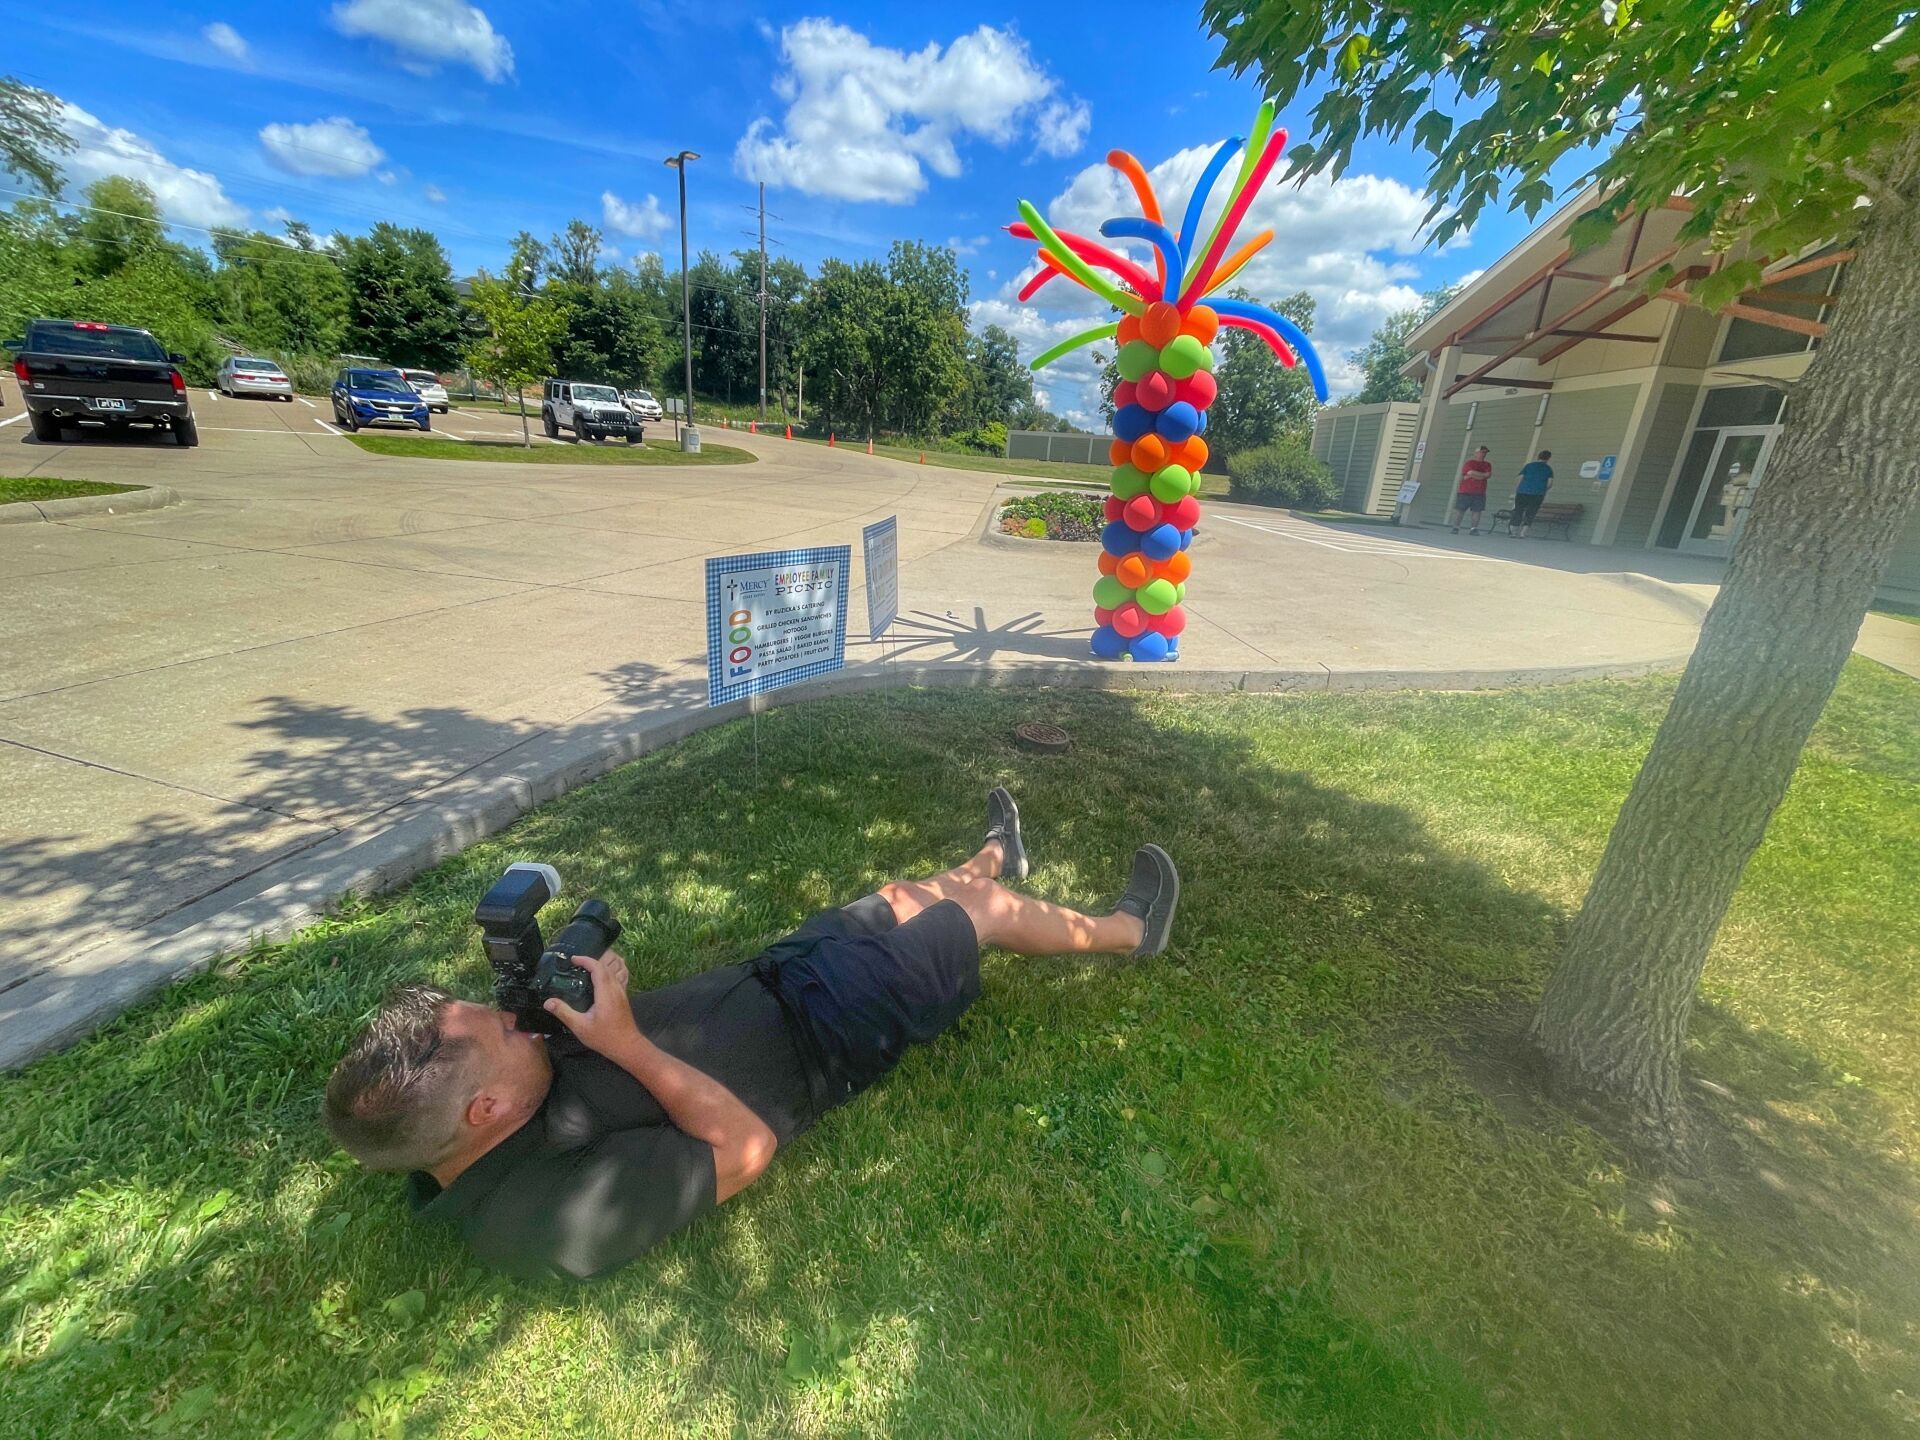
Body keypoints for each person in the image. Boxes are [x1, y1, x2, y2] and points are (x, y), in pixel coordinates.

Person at [322, 789, 1180, 1282]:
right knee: (972, 919)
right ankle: (1130, 933)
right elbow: (746, 1148)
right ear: (486, 1111)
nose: (519, 1020)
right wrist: (623, 1041)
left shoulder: (456, 1119)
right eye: (504, 1031)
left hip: (770, 976)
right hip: (825, 1031)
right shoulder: (546, 1220)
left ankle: (997, 855)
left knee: (901, 895)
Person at [1510, 450, 1554, 537]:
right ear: (1548, 458)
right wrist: (1542, 489)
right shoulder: (1548, 469)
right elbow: (1550, 484)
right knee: (1531, 512)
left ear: (1538, 456)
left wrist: (1518, 489)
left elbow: (1520, 478)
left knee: (1518, 510)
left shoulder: (1529, 466)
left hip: (1523, 492)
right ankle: (1523, 533)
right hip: (1537, 494)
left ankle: (1513, 532)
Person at [1450, 445, 1492, 533]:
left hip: (1480, 492)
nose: (1483, 454)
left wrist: (1473, 475)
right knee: (1460, 510)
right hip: (1465, 491)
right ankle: (1456, 527)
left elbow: (1487, 475)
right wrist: (1481, 475)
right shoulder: (1469, 463)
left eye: (1485, 453)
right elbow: (1470, 472)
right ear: (1476, 453)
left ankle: (1474, 529)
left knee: (1477, 511)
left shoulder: (1487, 464)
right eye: (1482, 452)